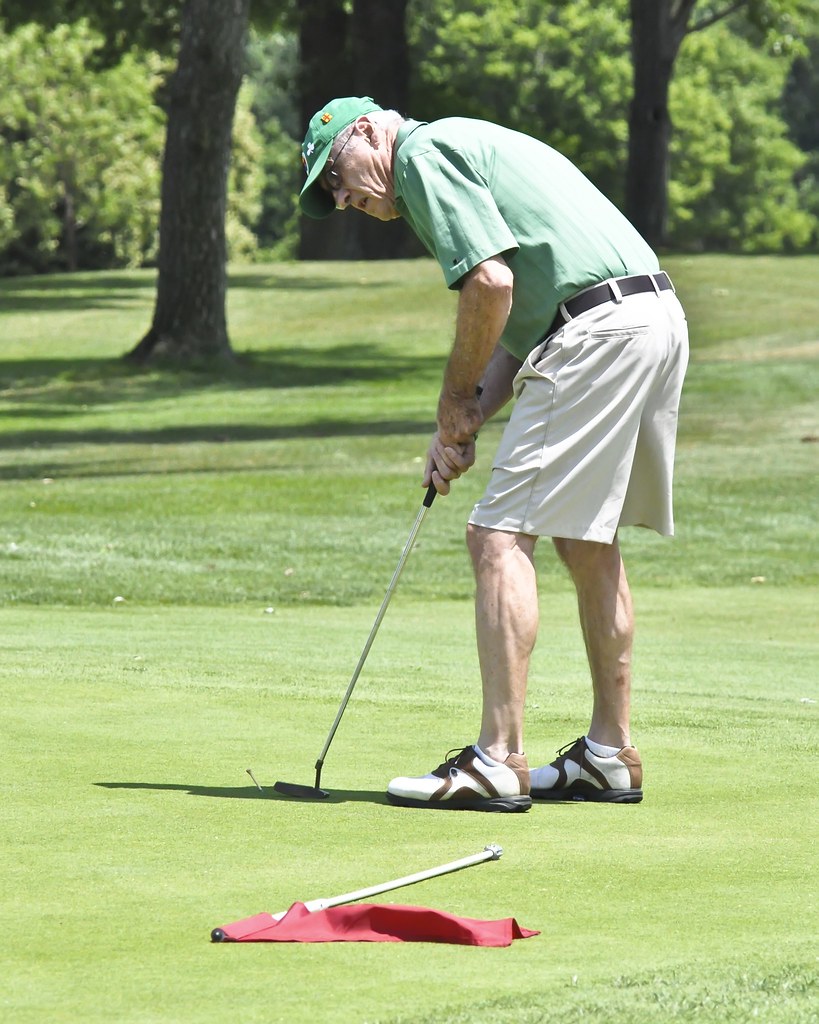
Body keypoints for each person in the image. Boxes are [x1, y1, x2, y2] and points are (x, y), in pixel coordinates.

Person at [299, 97, 689, 813]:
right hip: (649, 317)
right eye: (330, 193)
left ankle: (497, 759)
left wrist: (451, 401)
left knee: (497, 534)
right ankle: (609, 753)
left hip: (597, 333)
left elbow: (490, 282)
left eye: (336, 174)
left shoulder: (421, 155)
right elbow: (522, 319)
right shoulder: (464, 145)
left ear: (365, 131)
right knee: (583, 537)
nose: (343, 196)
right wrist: (468, 416)